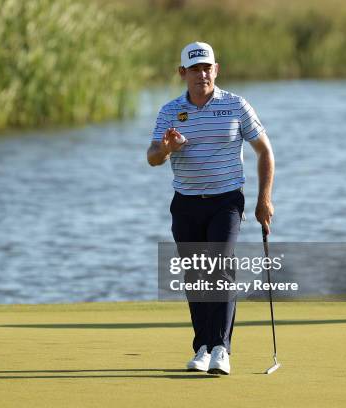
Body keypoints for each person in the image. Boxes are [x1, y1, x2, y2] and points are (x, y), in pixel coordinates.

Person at [147, 41, 274, 375]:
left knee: (219, 265)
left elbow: (264, 151)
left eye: (207, 67)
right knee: (195, 276)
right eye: (194, 68)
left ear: (216, 70)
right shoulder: (170, 111)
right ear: (182, 73)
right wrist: (167, 148)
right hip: (186, 204)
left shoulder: (236, 105)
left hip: (227, 201)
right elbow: (151, 158)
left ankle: (221, 349)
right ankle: (202, 347)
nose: (202, 74)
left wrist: (264, 200)